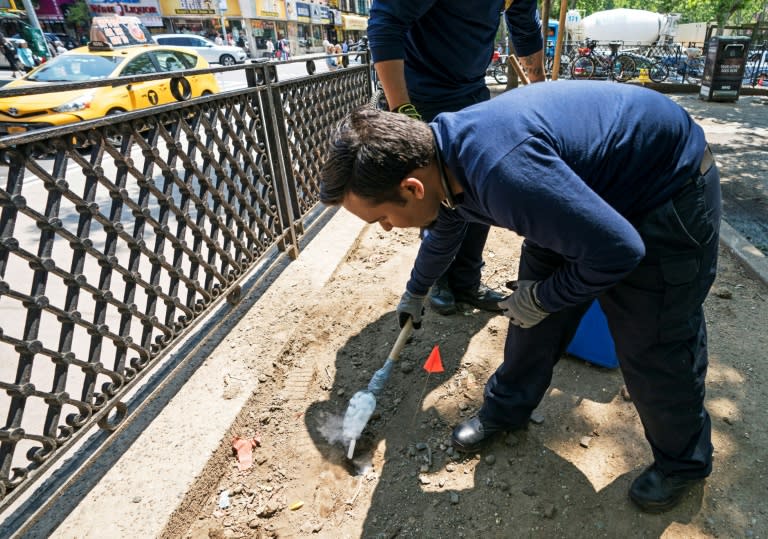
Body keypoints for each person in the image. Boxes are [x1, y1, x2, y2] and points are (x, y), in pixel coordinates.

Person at [319, 80, 720, 514]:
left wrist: (547, 295)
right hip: (574, 187)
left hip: (663, 191)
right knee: (530, 322)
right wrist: (416, 290)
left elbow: (621, 250)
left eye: (382, 217)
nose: (387, 228)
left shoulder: (504, 172)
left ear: (413, 187)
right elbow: (447, 227)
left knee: (654, 343)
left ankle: (683, 462)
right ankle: (506, 410)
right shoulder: (439, 159)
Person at [368, 0, 545, 317]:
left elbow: (526, 30)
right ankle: (439, 282)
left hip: (471, 92)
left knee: (476, 193)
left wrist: (542, 94)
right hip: (421, 96)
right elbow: (385, 24)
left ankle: (466, 281)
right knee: (442, 204)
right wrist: (403, 114)